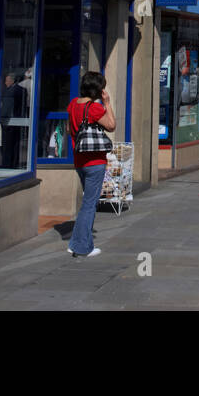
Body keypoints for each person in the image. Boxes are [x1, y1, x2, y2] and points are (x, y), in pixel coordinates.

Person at [67, 71, 115, 258]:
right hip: (95, 160)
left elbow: (71, 129)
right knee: (89, 204)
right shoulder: (93, 108)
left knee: (87, 202)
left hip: (79, 160)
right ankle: (82, 246)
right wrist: (107, 104)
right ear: (97, 89)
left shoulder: (73, 105)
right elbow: (111, 125)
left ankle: (76, 242)